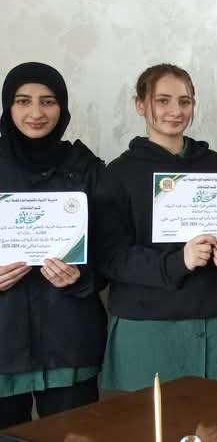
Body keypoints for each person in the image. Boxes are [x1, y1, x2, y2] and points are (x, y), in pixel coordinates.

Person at [97, 64, 217, 391]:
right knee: (149, 419)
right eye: (163, 100)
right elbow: (111, 258)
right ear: (140, 105)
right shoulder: (118, 174)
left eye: (185, 101)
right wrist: (178, 261)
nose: (176, 111)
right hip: (148, 326)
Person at [0, 62, 107, 428]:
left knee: (73, 434)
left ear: (62, 107)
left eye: (48, 101)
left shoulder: (86, 166)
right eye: (23, 101)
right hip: (4, 340)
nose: (36, 112)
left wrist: (81, 277)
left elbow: (112, 251)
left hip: (69, 341)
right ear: (8, 106)